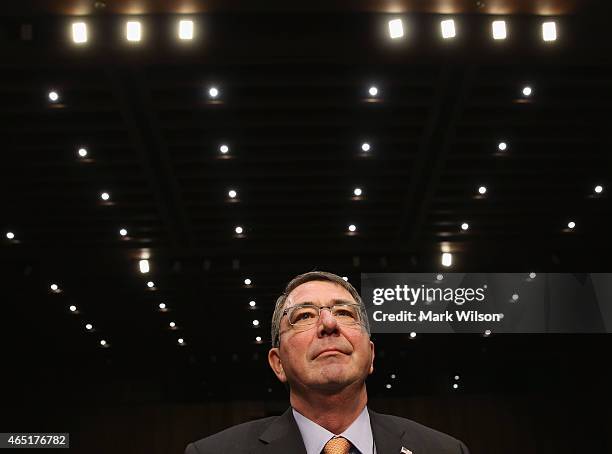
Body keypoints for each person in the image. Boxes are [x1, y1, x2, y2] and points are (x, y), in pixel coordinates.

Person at [185, 271, 470, 454]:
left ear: (370, 354)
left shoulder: (444, 450)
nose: (329, 323)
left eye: (345, 313)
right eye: (304, 316)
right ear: (278, 363)